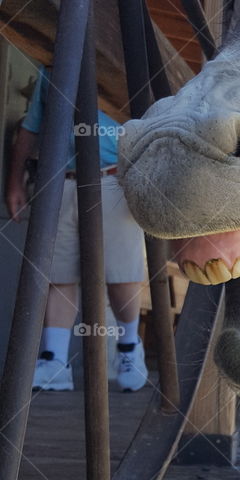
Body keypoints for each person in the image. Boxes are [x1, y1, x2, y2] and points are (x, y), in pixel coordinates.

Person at [5, 65, 148, 392]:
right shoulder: (52, 67)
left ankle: (128, 349)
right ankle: (54, 360)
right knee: (58, 273)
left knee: (121, 274)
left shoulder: (121, 65)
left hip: (112, 180)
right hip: (61, 181)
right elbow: (31, 126)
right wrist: (14, 182)